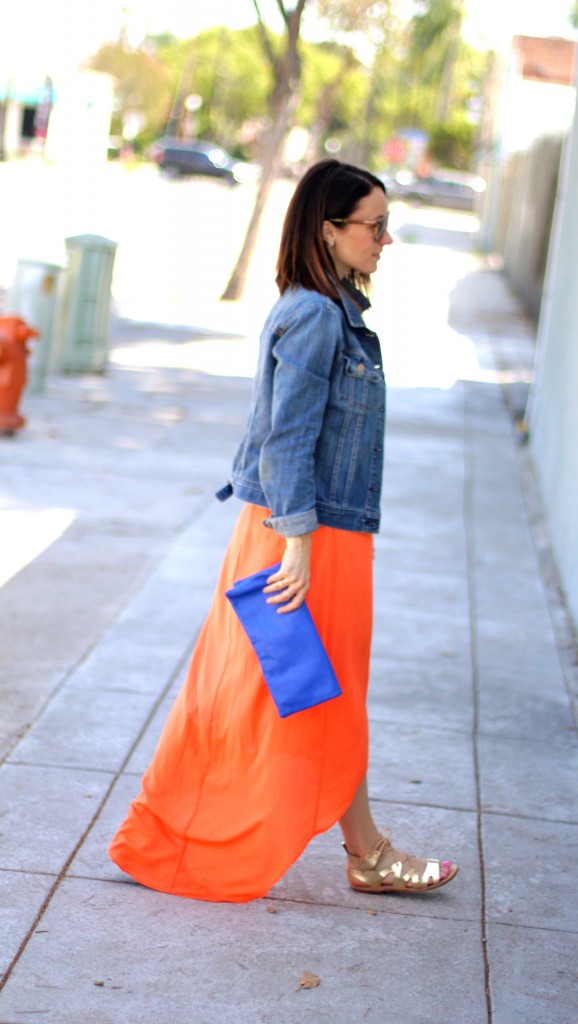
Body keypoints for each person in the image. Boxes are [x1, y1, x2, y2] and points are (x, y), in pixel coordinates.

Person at [109, 159, 458, 902]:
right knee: (278, 696)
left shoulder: (331, 309)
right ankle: (181, 840)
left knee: (321, 694)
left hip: (316, 532)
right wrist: (297, 542)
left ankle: (364, 850)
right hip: (301, 538)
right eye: (374, 225)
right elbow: (286, 439)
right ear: (329, 231)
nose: (385, 239)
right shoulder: (314, 316)